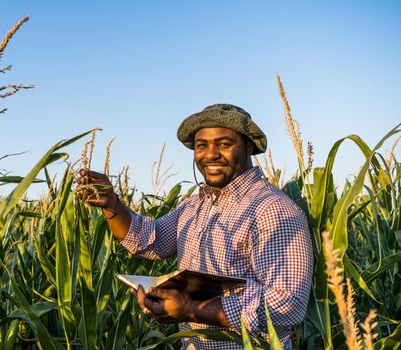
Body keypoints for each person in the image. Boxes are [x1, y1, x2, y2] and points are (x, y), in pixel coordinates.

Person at [78, 104, 313, 349]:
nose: (210, 154)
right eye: (202, 145)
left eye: (224, 144)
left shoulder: (273, 209)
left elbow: (289, 304)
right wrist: (112, 204)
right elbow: (149, 240)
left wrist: (192, 309)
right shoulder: (194, 204)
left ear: (249, 146)